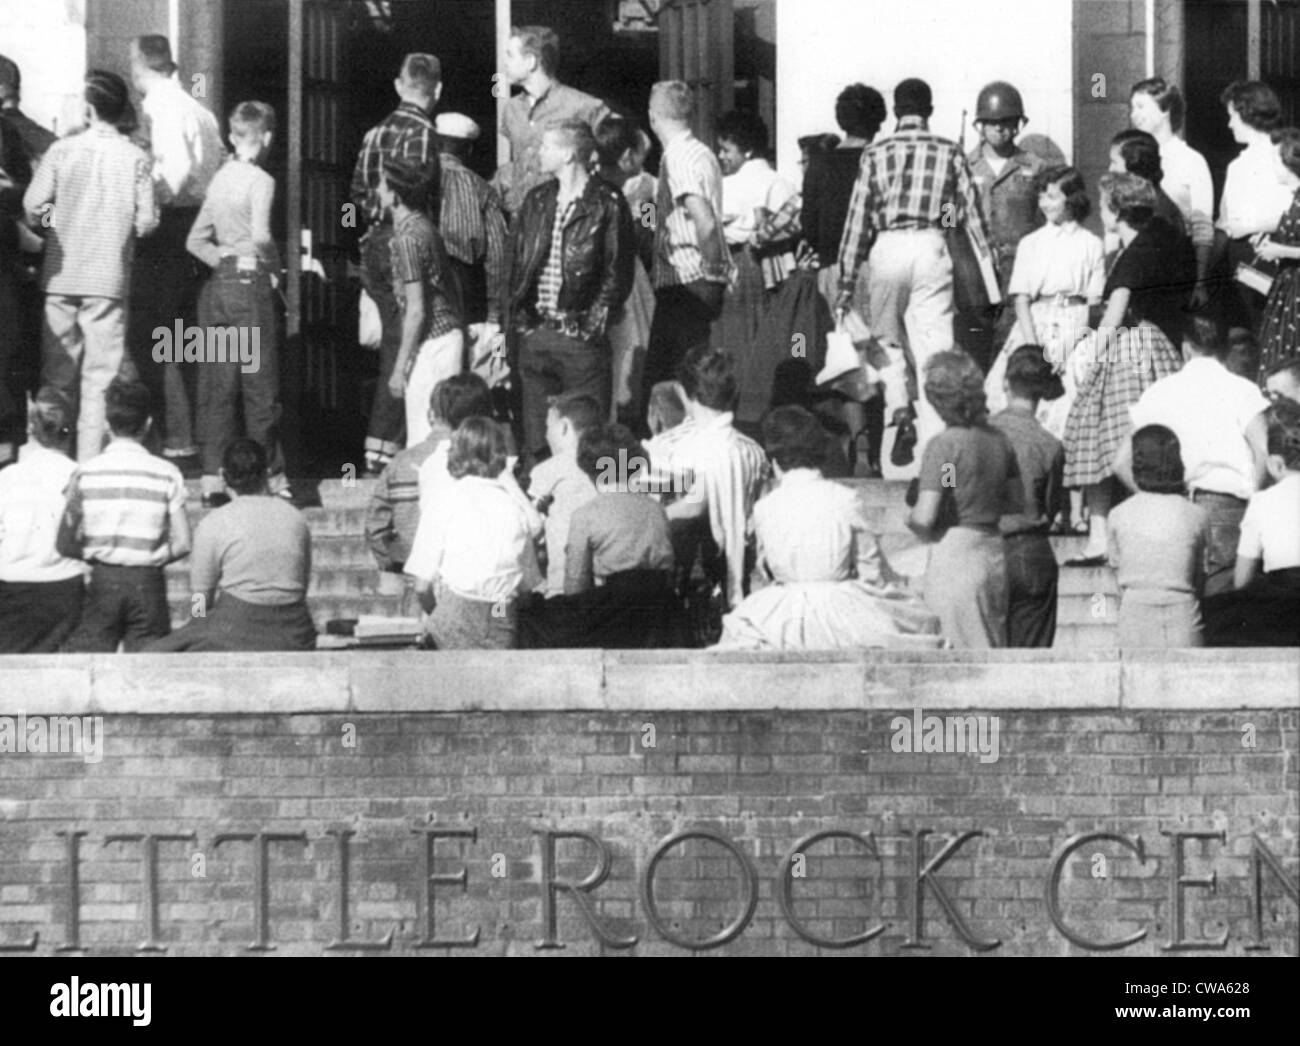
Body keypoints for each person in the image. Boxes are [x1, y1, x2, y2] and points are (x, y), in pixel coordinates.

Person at [836, 77, 994, 477]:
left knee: (886, 339)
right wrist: (987, 273)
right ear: (929, 110)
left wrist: (845, 279)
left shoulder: (876, 153)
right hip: (930, 244)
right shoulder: (949, 151)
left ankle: (898, 407)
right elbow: (967, 216)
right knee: (933, 344)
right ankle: (936, 448)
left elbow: (858, 220)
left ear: (895, 111)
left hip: (887, 247)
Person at [716, 405, 941, 651]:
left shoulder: (943, 451)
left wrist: (918, 514)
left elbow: (927, 514)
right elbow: (938, 502)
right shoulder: (954, 449)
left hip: (951, 548)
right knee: (961, 635)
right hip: (962, 540)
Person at [22, 71, 159, 463]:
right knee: (101, 379)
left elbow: (33, 206)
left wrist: (56, 223)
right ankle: (89, 462)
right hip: (109, 278)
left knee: (57, 376)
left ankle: (50, 458)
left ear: (88, 107)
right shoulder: (136, 158)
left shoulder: (61, 151)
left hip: (61, 274)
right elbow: (147, 221)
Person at [1062, 172, 1192, 565]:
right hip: (1162, 348)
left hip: (1132, 349)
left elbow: (1113, 317)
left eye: (1104, 206)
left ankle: (1107, 536)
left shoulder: (1133, 254)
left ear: (1117, 212)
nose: (1101, 213)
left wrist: (1087, 360)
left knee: (1096, 432)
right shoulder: (1166, 241)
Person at [504, 120, 634, 464]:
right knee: (536, 437)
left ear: (568, 154)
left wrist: (591, 324)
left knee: (586, 437)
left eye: (546, 146)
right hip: (538, 332)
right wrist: (522, 324)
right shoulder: (537, 200)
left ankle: (581, 510)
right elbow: (516, 264)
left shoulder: (608, 201)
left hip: (579, 336)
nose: (538, 152)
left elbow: (617, 271)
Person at [1112, 315, 1270, 596]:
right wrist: (1255, 498)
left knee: (1180, 602)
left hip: (1172, 508)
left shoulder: (1158, 392)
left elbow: (1120, 462)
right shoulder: (1243, 390)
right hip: (1229, 506)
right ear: (1225, 349)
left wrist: (1152, 498)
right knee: (1223, 612)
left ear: (1186, 349)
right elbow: (1263, 451)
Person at [126, 35, 225, 466]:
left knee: (152, 335)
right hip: (198, 224)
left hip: (169, 227)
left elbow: (178, 170)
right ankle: (193, 439)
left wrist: (151, 199)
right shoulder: (201, 111)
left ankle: (169, 439)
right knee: (187, 338)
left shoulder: (160, 107)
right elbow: (216, 161)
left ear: (139, 64)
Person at [185, 101, 289, 506]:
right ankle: (272, 478)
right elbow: (262, 235)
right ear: (266, 137)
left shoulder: (219, 179)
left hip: (219, 287)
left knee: (219, 385)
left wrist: (224, 261)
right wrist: (275, 268)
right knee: (260, 385)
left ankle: (213, 478)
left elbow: (195, 240)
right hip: (251, 285)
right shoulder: (261, 180)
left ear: (231, 135)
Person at [349, 54, 443, 476]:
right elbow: (424, 194)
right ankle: (382, 448)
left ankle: (381, 444)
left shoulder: (373, 133)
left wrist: (361, 238)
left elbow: (352, 198)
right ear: (436, 91)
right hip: (402, 239)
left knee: (393, 337)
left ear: (397, 85)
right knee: (405, 339)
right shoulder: (425, 133)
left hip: (373, 240)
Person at [56, 378, 190, 652]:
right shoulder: (167, 472)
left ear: (107, 425)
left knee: (90, 663)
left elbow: (64, 542)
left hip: (103, 580)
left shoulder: (85, 473)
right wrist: (159, 556)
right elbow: (185, 542)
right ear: (148, 423)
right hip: (148, 581)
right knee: (148, 668)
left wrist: (94, 552)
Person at [518, 423, 680, 649]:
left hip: (616, 612)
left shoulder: (586, 515)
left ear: (589, 471)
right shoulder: (655, 508)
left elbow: (575, 587)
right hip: (664, 613)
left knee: (529, 614)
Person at [148, 439, 314, 652]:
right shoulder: (296, 518)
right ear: (267, 473)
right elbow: (302, 583)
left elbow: (201, 594)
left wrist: (196, 623)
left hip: (237, 624)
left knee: (153, 653)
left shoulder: (214, 522)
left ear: (222, 476)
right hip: (295, 628)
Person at [906, 351, 1022, 648]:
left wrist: (910, 517)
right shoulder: (1000, 441)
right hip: (993, 551)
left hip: (954, 554)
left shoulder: (945, 446)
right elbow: (1016, 501)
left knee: (954, 650)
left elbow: (924, 518)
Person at [636, 81, 732, 436]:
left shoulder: (678, 158)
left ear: (653, 116)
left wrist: (712, 269)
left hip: (686, 281)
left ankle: (679, 454)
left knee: (669, 382)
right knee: (681, 376)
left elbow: (704, 221)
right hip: (688, 282)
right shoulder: (701, 153)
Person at [983, 165, 1104, 447]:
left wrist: (1064, 349)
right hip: (1033, 327)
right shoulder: (1031, 243)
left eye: (1051, 196)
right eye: (1041, 196)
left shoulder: (1091, 244)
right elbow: (1022, 298)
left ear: (1071, 199)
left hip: (1076, 331)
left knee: (1074, 397)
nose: (1044, 203)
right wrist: (1032, 347)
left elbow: (1093, 303)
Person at [646, 349, 768, 614]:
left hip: (689, 573)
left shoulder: (673, 448)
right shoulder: (754, 450)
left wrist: (649, 516)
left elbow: (691, 505)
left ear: (681, 392)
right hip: (745, 569)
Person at [406, 417, 543, 649]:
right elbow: (527, 588)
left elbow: (421, 586)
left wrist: (438, 611)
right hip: (502, 613)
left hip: (457, 610)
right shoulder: (514, 508)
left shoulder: (444, 501)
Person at [711, 110, 798, 429]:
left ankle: (740, 413)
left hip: (739, 264)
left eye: (726, 149)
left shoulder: (730, 186)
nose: (721, 156)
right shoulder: (783, 183)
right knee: (773, 340)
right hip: (778, 269)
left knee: (736, 343)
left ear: (746, 150)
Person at [366, 373, 491, 578]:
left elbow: (375, 526)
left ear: (431, 414)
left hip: (412, 573)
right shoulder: (482, 462)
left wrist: (396, 563)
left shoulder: (400, 463)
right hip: (468, 577)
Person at [380, 156, 464, 451]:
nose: (377, 191)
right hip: (444, 337)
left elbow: (416, 309)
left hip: (434, 342)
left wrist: (399, 367)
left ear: (394, 194)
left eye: (381, 184)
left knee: (424, 436)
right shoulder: (424, 227)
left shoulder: (408, 239)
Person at [963, 81, 1045, 370]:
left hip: (1019, 268)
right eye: (993, 122)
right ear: (980, 126)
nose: (1000, 129)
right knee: (973, 340)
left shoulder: (1034, 167)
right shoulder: (962, 165)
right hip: (975, 267)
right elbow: (948, 214)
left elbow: (1044, 218)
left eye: (1008, 122)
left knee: (1010, 341)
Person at [1204, 399, 1300, 646]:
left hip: (1285, 600)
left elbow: (1241, 579)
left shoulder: (1262, 501)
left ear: (1275, 464)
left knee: (1218, 616)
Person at [1106, 425, 1210, 647]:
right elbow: (1200, 577)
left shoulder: (1117, 515)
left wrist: (1099, 617)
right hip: (1185, 615)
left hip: (1133, 616)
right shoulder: (1197, 515)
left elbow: (1111, 581)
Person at [990, 347, 1066, 647]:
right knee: (1030, 664)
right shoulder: (1050, 445)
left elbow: (949, 479)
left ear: (1005, 382)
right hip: (1032, 550)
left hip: (984, 547)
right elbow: (1051, 504)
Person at [0, 389, 86, 652]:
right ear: (69, 431)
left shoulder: (8, 476)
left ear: (30, 431)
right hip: (64, 586)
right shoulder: (77, 474)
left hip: (11, 582)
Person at [495, 26, 610, 218]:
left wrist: (648, 219)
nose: (504, 62)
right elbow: (517, 159)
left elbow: (630, 147)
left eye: (510, 55)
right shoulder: (512, 109)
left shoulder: (582, 106)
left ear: (531, 62)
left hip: (566, 221)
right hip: (521, 221)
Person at [434, 113, 507, 385]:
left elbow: (353, 213)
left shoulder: (414, 181)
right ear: (469, 149)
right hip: (461, 282)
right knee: (458, 362)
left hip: (416, 276)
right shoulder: (482, 188)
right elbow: (497, 256)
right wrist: (495, 312)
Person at [1129, 78, 1213, 307]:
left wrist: (1201, 282)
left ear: (1165, 110)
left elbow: (1202, 228)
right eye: (1132, 107)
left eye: (1141, 106)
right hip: (1136, 268)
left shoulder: (1192, 161)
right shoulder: (1130, 159)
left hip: (1176, 269)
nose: (1133, 115)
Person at [594, 114, 657, 426]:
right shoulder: (645, 189)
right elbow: (647, 232)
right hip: (629, 275)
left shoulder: (593, 185)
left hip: (603, 276)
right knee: (632, 346)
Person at [1217, 81, 1293, 333]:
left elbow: (1292, 211)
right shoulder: (1237, 165)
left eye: (1232, 117)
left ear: (1247, 113)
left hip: (1278, 258)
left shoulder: (1282, 157)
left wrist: (1252, 225)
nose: (1229, 125)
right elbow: (1226, 219)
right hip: (1243, 260)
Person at [526, 392, 601, 597]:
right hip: (605, 583)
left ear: (564, 427)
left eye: (548, 427)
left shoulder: (549, 470)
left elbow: (528, 526)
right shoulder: (612, 465)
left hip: (564, 585)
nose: (545, 435)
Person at [1256, 127, 1300, 379]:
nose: (1272, 166)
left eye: (1275, 160)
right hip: (1287, 290)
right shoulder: (1294, 199)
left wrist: (1280, 249)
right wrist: (1269, 245)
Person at [1107, 129, 1187, 240]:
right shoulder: (1139, 204)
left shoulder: (1156, 215)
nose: (1110, 169)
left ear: (1134, 165)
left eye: (1114, 162)